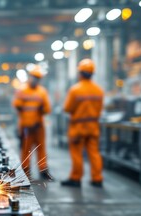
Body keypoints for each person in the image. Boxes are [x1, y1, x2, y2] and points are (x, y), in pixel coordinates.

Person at [61, 59, 104, 188]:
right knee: (94, 152)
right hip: (93, 126)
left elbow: (68, 108)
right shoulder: (99, 90)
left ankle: (76, 178)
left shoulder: (75, 90)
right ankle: (97, 178)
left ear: (80, 73)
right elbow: (100, 109)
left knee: (76, 153)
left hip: (78, 127)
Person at [13, 66, 53, 180]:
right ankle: (25, 171)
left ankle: (43, 170)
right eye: (34, 77)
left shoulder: (42, 92)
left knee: (41, 148)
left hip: (39, 126)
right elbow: (17, 105)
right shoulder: (22, 91)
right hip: (26, 126)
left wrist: (41, 109)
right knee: (26, 149)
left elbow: (47, 109)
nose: (35, 80)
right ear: (30, 77)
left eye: (37, 78)